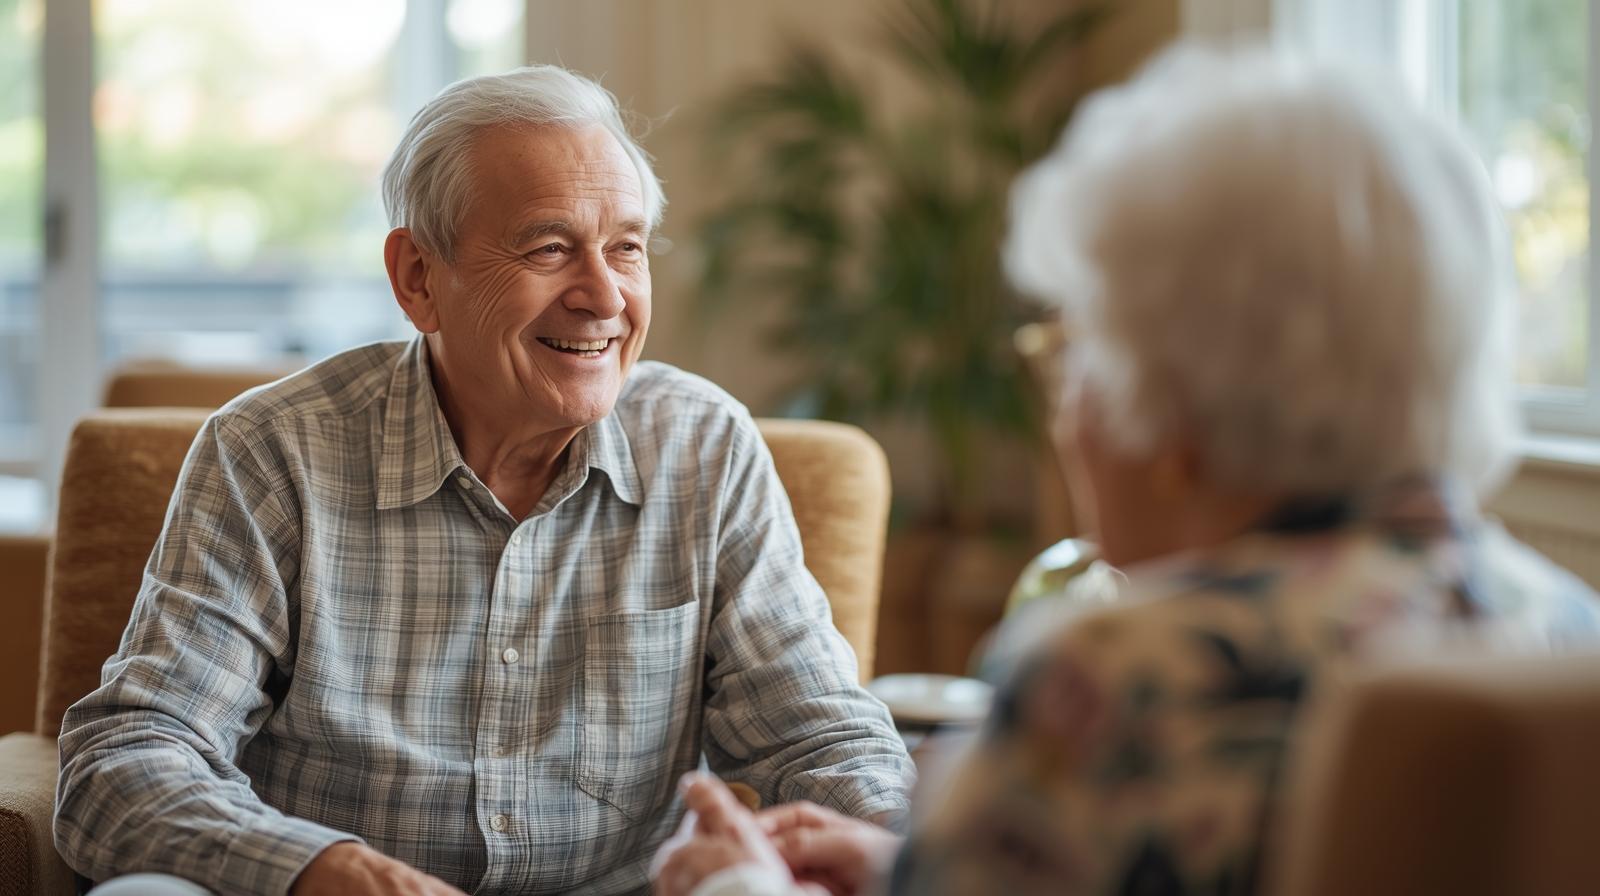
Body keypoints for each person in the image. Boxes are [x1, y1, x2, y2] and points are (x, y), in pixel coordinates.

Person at [649, 43, 1600, 896]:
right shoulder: (1563, 633)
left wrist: (744, 889)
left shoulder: (1110, 682)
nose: (1066, 406)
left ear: (1179, 404)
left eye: (1086, 349)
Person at [53, 65, 913, 896]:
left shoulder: (705, 450)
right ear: (418, 279)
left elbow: (821, 737)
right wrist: (328, 872)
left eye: (627, 249)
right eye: (550, 247)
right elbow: (129, 755)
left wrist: (916, 854)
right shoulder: (272, 454)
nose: (605, 297)